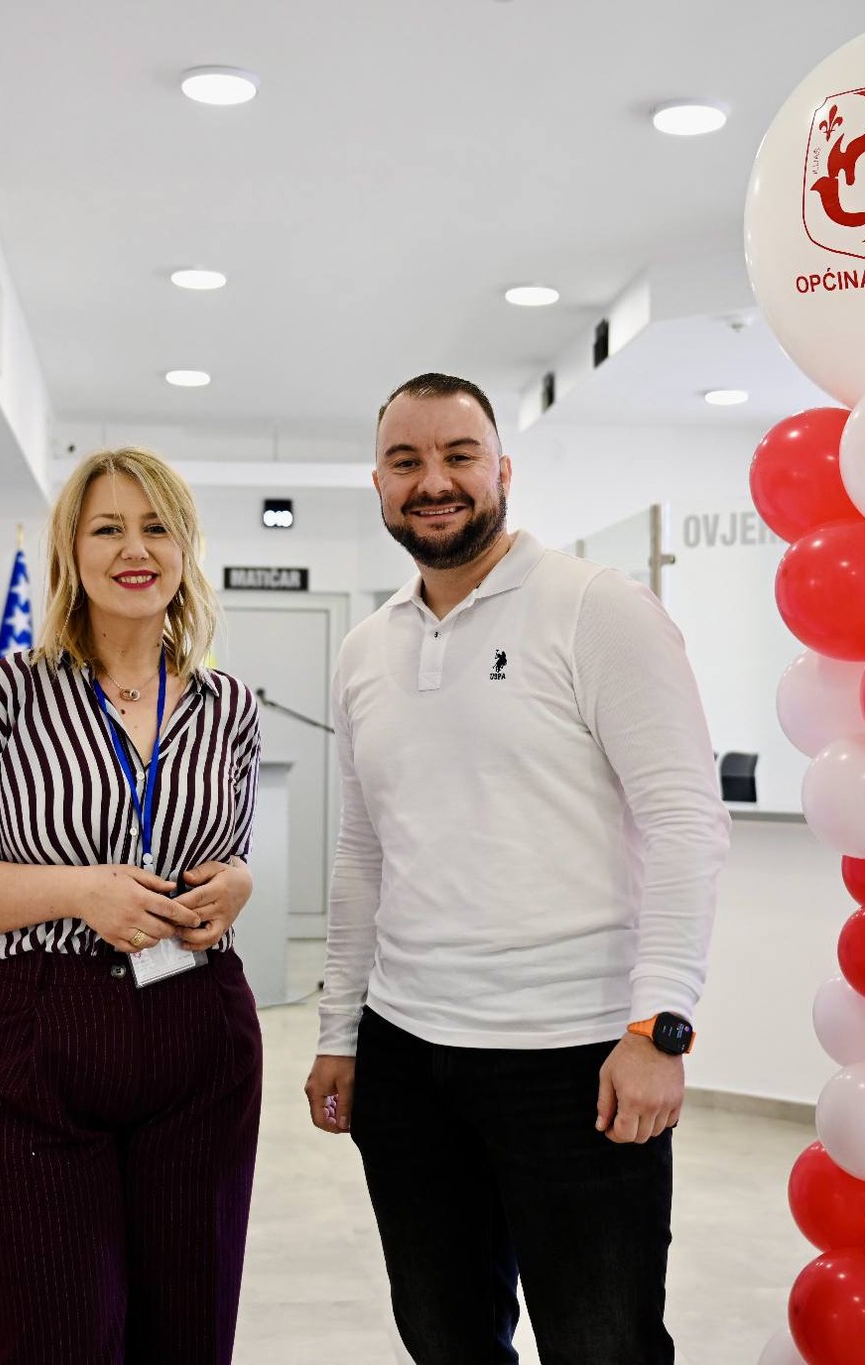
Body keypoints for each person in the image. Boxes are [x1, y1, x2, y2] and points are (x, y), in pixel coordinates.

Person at [304, 373, 732, 1364]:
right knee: (445, 1338)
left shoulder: (596, 607)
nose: (433, 481)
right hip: (406, 1057)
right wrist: (339, 1030)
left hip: (575, 1060)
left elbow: (685, 821)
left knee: (601, 1345)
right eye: (406, 460)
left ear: (502, 470)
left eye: (458, 456)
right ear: (378, 483)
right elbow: (364, 851)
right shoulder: (366, 648)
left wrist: (658, 1026)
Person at [0, 446, 264, 1365]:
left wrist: (239, 881)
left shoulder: (228, 706)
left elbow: (227, 851)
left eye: (156, 527)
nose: (135, 548)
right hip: (37, 1035)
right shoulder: (7, 693)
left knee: (188, 1331)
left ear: (184, 547)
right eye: (108, 528)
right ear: (72, 550)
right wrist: (76, 890)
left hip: (198, 1025)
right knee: (54, 1331)